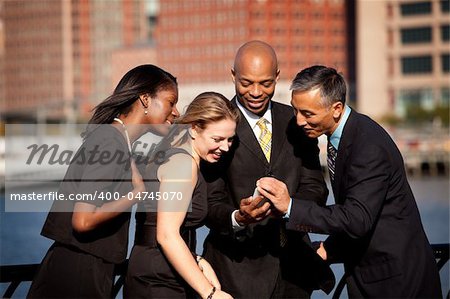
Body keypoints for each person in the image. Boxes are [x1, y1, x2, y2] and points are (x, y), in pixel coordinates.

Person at [257, 65, 442, 298]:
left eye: (308, 114)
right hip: (372, 275)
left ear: (336, 109)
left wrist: (290, 207)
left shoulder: (368, 146)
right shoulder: (346, 136)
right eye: (296, 111)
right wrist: (329, 249)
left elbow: (357, 219)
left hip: (397, 282)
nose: (299, 121)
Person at [27, 64, 180, 298]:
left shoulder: (117, 142)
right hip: (78, 274)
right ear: (145, 99)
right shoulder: (110, 141)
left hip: (87, 268)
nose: (176, 112)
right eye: (171, 102)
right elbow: (83, 220)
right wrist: (134, 195)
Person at [200, 41, 334, 298]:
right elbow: (210, 200)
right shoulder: (216, 126)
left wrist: (289, 206)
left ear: (277, 77)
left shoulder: (297, 122)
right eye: (246, 83)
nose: (256, 92)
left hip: (294, 274)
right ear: (233, 76)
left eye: (265, 83)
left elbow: (316, 186)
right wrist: (239, 217)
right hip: (235, 274)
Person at [124, 92, 237, 299]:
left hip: (154, 267)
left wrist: (197, 260)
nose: (225, 147)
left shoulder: (168, 152)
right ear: (194, 129)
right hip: (158, 278)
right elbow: (167, 234)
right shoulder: (183, 164)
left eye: (230, 139)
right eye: (217, 139)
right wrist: (210, 293)